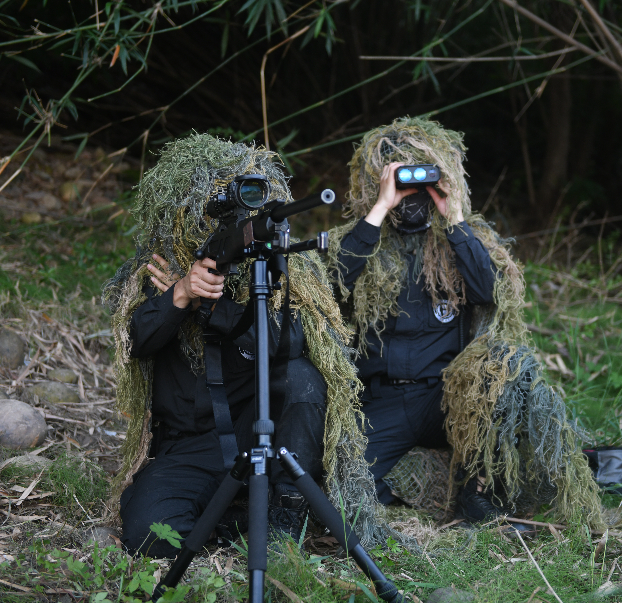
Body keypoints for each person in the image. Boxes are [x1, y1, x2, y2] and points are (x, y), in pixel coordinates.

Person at [102, 133, 376, 557]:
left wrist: (220, 309)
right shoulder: (155, 268)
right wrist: (180, 294)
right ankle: (238, 518)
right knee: (150, 533)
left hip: (258, 431)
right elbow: (136, 341)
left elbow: (289, 345)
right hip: (189, 445)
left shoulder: (279, 268)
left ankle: (283, 510)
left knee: (304, 378)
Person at [327, 117, 603, 528]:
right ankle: (415, 498)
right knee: (337, 485)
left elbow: (490, 293)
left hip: (446, 397)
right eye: (403, 182)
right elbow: (332, 287)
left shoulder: (461, 240)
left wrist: (453, 217)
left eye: (424, 179)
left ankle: (478, 494)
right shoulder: (359, 239)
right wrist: (379, 209)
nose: (412, 196)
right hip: (382, 400)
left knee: (503, 377)